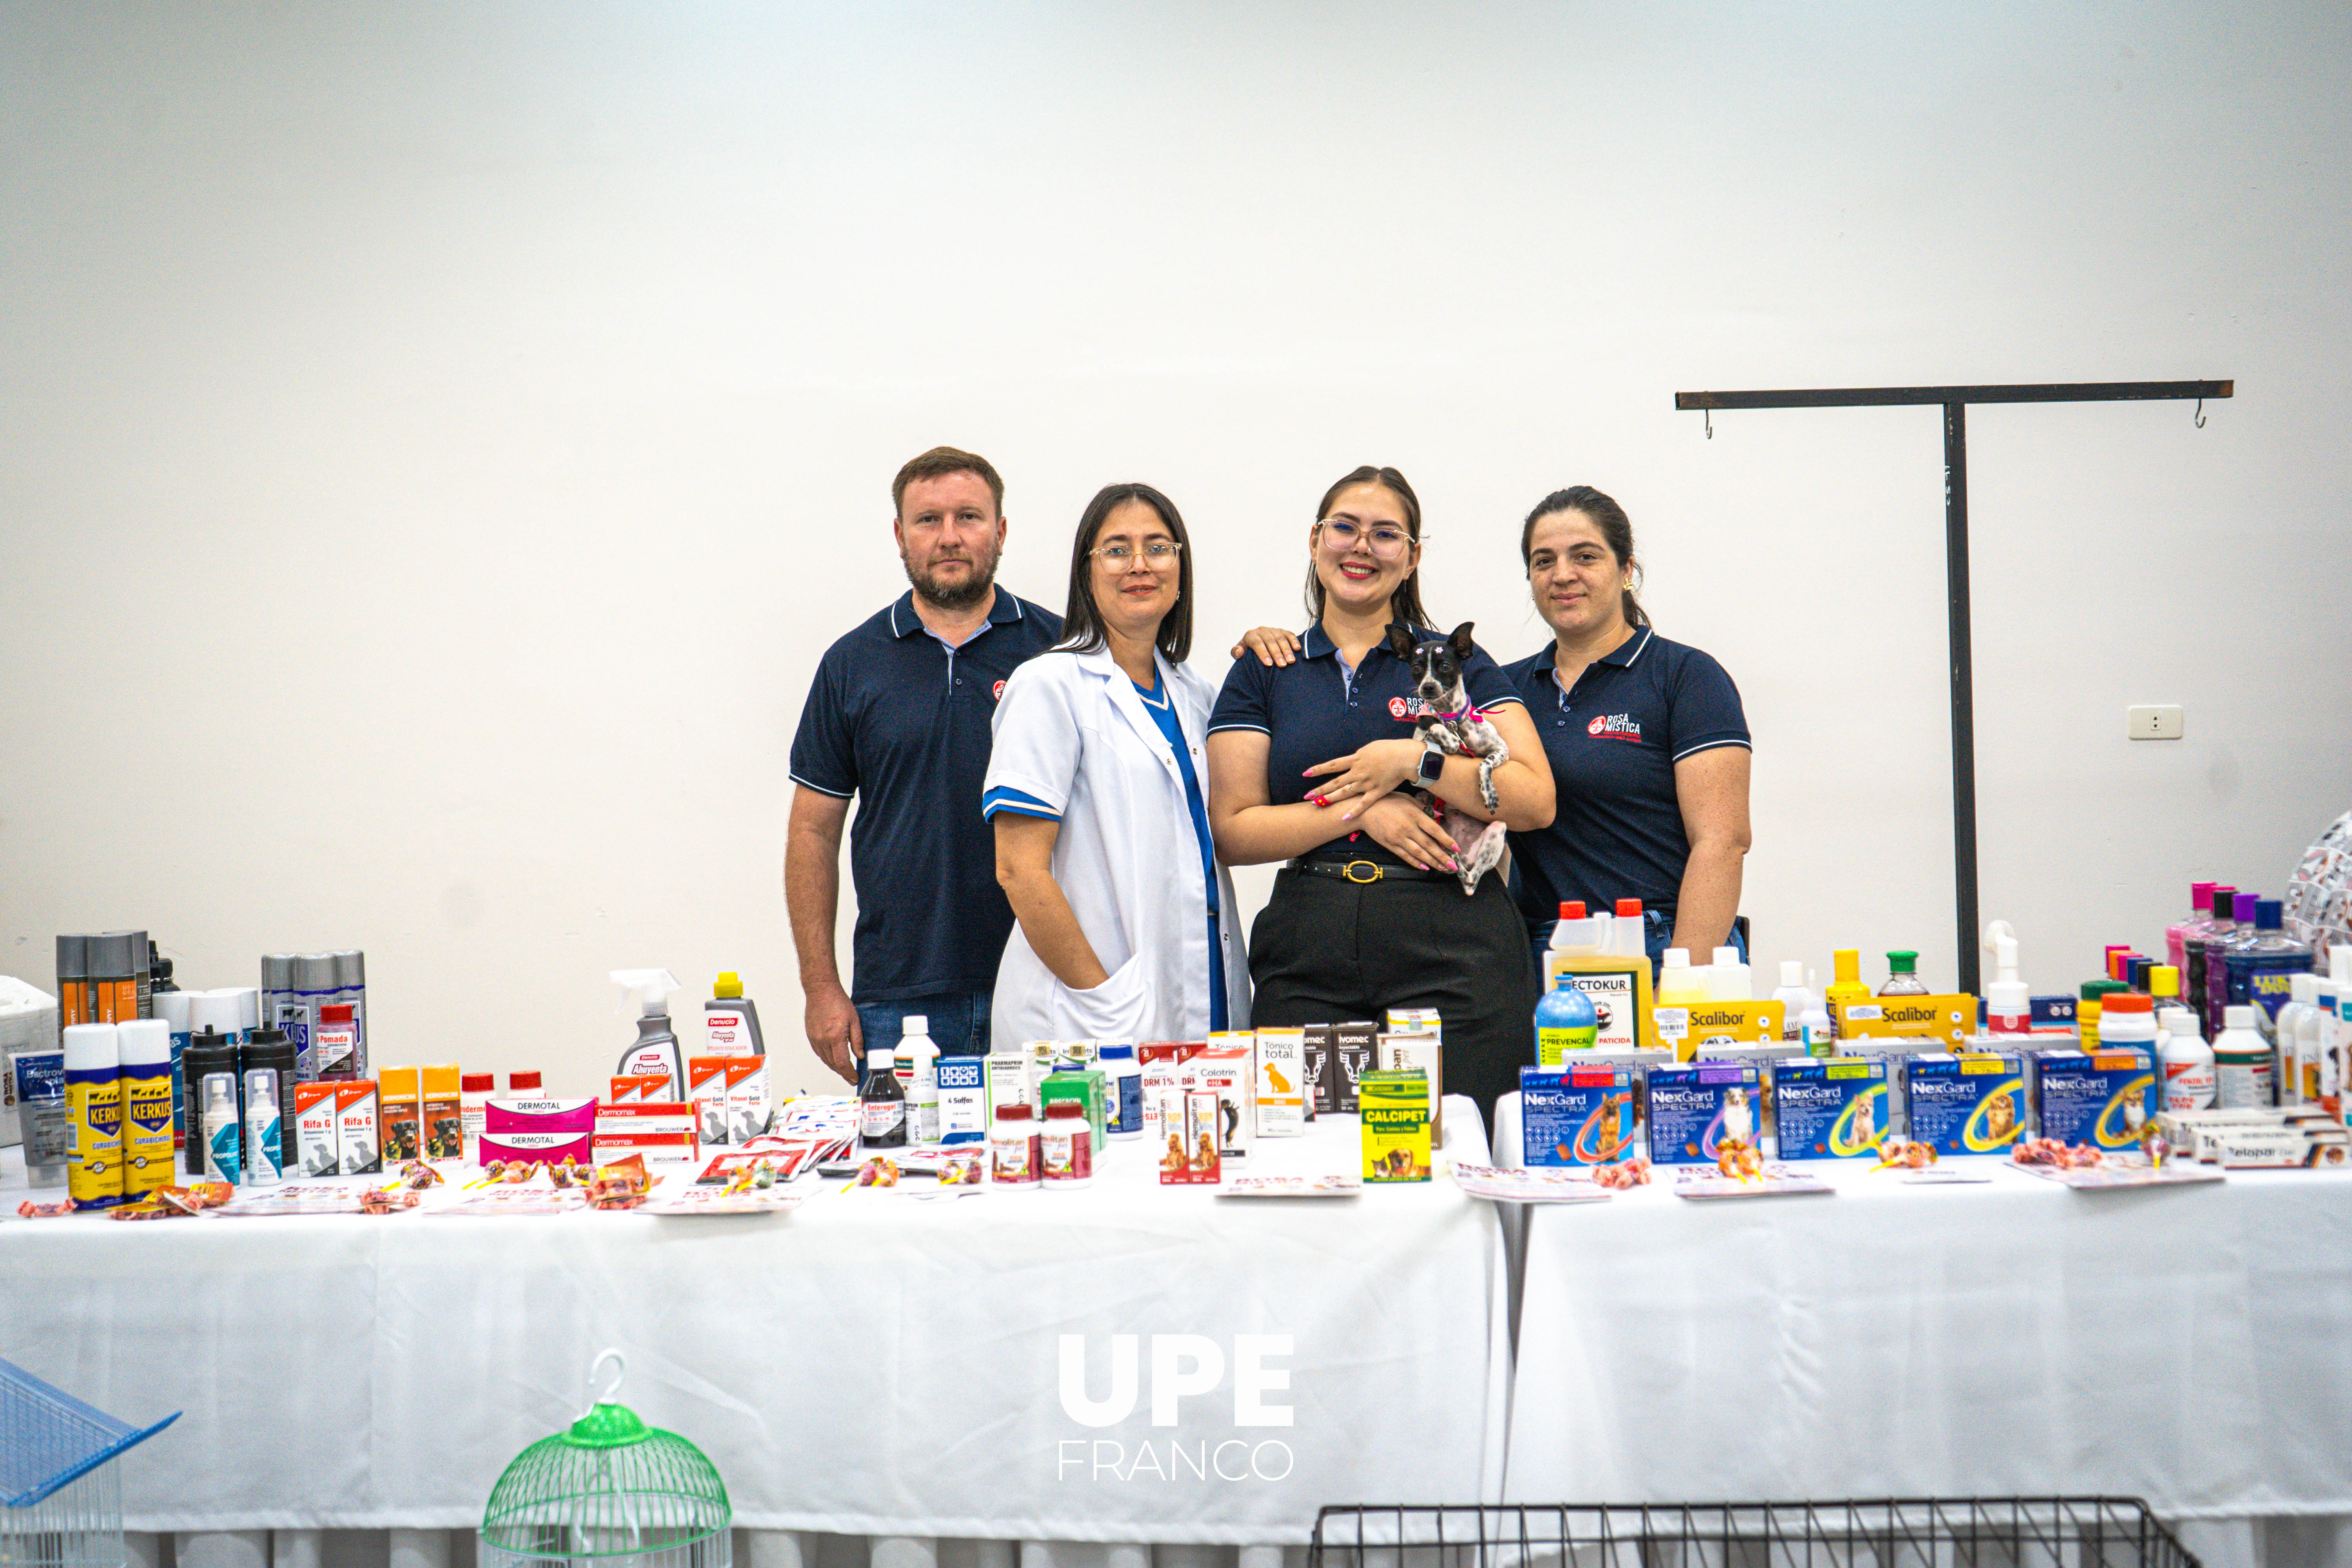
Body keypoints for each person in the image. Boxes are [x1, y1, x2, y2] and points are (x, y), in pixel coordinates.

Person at [1206, 465, 1553, 1127]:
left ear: (1414, 556)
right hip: (1311, 946)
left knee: (1461, 1151)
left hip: (1455, 944)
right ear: (1315, 542)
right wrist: (1364, 807)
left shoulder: (1453, 663)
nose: (1362, 547)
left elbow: (1534, 799)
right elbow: (1233, 831)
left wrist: (1413, 762)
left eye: (1386, 534)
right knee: (1307, 1158)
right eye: (1345, 528)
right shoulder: (1266, 668)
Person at [785, 447, 1063, 1080]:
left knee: (1056, 1174)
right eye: (927, 520)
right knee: (905, 1176)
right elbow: (812, 831)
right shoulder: (852, 664)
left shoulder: (1060, 653)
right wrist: (822, 988)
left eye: (968, 517)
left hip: (1045, 977)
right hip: (899, 997)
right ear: (899, 535)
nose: (949, 538)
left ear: (1001, 530)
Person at [985, 485, 1248, 1043]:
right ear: (1087, 572)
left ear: (1181, 571)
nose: (1138, 565)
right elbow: (1018, 869)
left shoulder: (1197, 694)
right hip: (1094, 1009)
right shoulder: (1049, 686)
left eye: (1158, 547)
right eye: (1115, 549)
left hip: (1202, 988)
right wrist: (1104, 998)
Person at [1502, 485, 1751, 969]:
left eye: (1586, 556)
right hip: (1539, 954)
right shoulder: (1504, 690)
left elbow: (1722, 842)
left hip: (1660, 944)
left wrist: (1682, 981)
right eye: (1544, 561)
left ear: (1626, 571)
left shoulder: (1686, 676)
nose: (1563, 575)